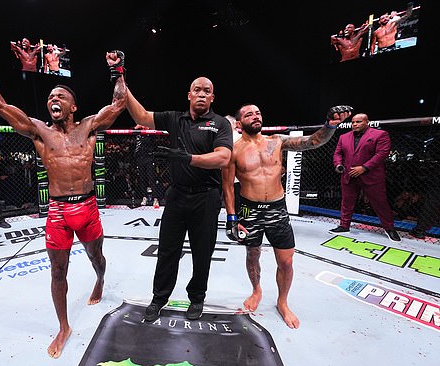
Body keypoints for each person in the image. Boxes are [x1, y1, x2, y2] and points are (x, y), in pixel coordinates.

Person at [0, 38, 127, 358]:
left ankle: (100, 279)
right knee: (57, 272)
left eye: (61, 95)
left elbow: (118, 104)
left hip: (88, 207)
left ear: (73, 106)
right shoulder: (38, 131)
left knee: (96, 258)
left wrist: (117, 70)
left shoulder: (90, 127)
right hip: (59, 211)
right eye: (51, 95)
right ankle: (63, 326)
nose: (54, 97)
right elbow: (0, 105)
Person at [222, 104, 351, 329]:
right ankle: (256, 290)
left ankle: (282, 302)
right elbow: (228, 187)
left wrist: (330, 125)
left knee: (286, 261)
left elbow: (312, 142)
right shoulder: (233, 150)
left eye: (258, 113)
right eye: (249, 114)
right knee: (252, 255)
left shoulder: (277, 141)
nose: (256, 116)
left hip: (277, 208)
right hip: (249, 209)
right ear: (239, 123)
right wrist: (232, 218)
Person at [126, 77, 233, 322]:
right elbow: (141, 116)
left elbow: (223, 158)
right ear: (189, 95)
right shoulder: (175, 118)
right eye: (197, 90)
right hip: (177, 195)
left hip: (206, 196)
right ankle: (159, 298)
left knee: (202, 251)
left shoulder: (220, 124)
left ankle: (197, 298)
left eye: (207, 91)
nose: (202, 94)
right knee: (167, 250)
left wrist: (188, 159)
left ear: (213, 98)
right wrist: (121, 80)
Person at [331, 113, 401, 242]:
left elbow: (382, 153)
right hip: (349, 174)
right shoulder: (344, 137)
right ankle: (344, 225)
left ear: (367, 122)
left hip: (371, 175)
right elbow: (338, 153)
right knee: (347, 202)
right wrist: (339, 164)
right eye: (353, 122)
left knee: (380, 203)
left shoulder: (380, 134)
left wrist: (364, 168)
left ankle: (390, 228)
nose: (355, 124)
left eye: (358, 122)